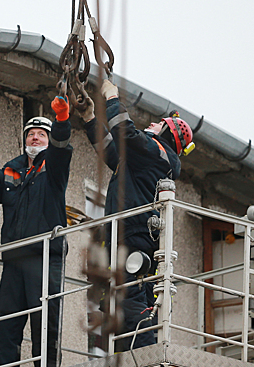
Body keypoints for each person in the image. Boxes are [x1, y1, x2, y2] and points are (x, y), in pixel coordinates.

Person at [76, 78, 193, 351]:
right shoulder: (144, 159)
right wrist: (90, 117)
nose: (150, 125)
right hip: (123, 235)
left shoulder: (159, 153)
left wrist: (113, 98)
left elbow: (124, 133)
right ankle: (123, 355)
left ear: (168, 132)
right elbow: (110, 148)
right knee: (114, 301)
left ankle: (145, 352)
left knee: (129, 298)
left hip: (134, 237)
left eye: (157, 123)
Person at [0, 86, 73, 367]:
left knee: (44, 325)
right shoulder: (12, 172)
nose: (35, 137)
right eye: (30, 134)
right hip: (14, 261)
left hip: (43, 259)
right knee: (7, 326)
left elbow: (63, 145)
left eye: (41, 134)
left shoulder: (53, 168)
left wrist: (62, 117)